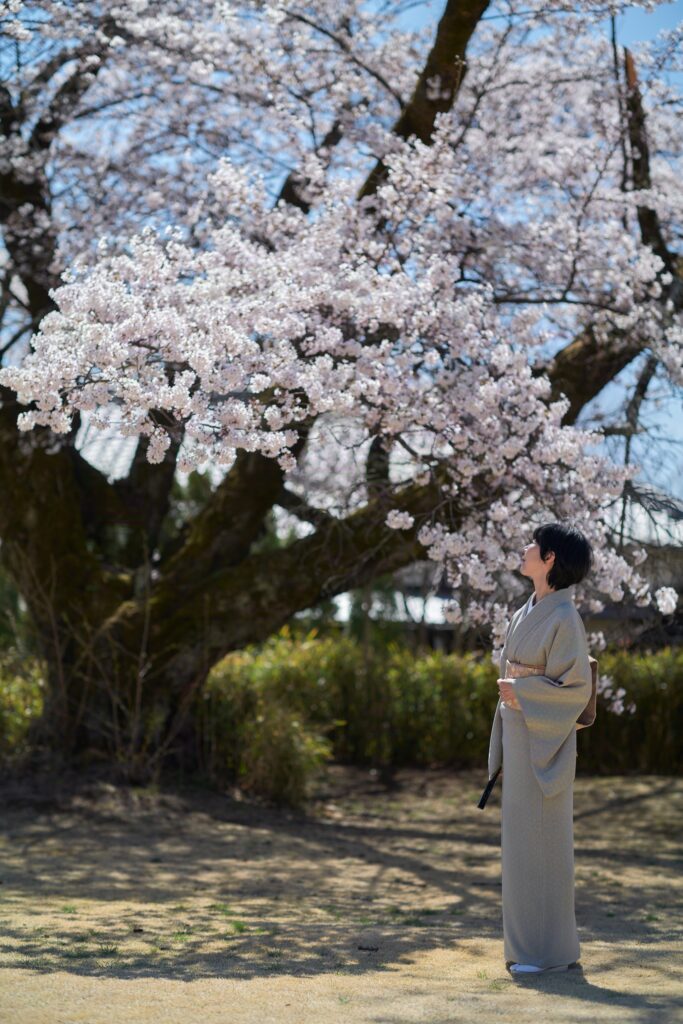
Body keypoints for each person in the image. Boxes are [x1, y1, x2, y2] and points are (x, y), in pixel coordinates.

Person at [487, 522, 594, 976]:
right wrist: (515, 697)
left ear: (549, 559)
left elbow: (576, 688)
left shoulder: (565, 617)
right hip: (520, 736)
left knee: (542, 846)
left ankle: (544, 953)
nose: (525, 548)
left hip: (544, 742)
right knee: (521, 847)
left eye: (533, 544)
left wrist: (523, 692)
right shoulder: (526, 611)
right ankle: (530, 949)